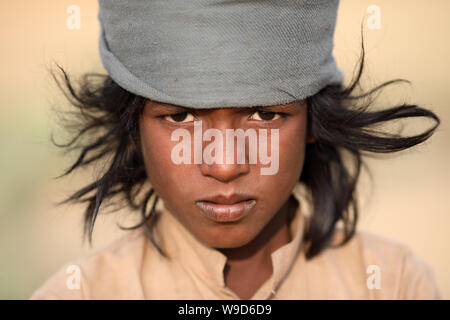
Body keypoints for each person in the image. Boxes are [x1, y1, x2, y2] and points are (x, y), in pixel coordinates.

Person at [30, 0, 441, 299]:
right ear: (133, 127)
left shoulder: (394, 284)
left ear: (313, 122)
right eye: (180, 118)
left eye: (264, 116)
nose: (225, 165)